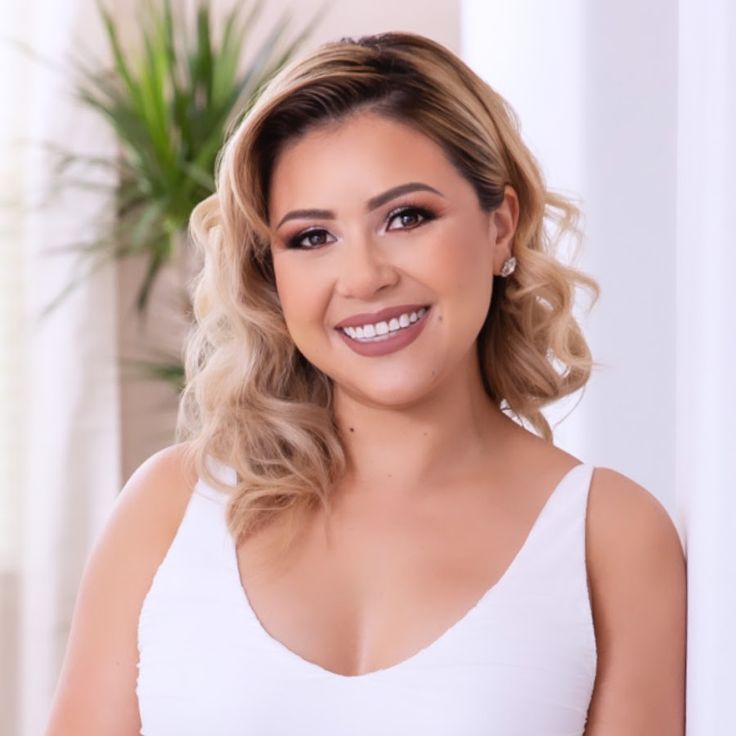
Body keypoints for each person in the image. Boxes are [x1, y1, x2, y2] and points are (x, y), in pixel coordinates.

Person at [46, 31, 686, 735]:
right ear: (273, 274)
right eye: (312, 237)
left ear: (500, 226)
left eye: (406, 217)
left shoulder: (611, 538)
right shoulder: (170, 509)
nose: (364, 277)